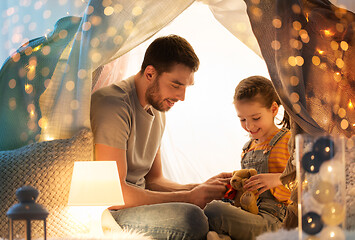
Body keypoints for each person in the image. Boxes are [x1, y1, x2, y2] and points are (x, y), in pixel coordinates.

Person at [90, 35, 231, 240]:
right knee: (192, 218)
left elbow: (154, 180)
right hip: (114, 212)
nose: (182, 97)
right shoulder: (113, 105)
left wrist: (202, 188)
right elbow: (113, 193)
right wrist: (189, 198)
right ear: (150, 73)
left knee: (220, 205)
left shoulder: (159, 109)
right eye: (176, 85)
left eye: (186, 87)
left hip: (141, 203)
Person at [204, 76, 292, 240]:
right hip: (250, 210)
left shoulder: (288, 140)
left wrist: (277, 179)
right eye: (242, 119)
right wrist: (233, 187)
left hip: (277, 218)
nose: (249, 126)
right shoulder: (247, 148)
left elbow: (308, 178)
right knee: (207, 209)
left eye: (256, 118)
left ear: (273, 109)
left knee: (214, 211)